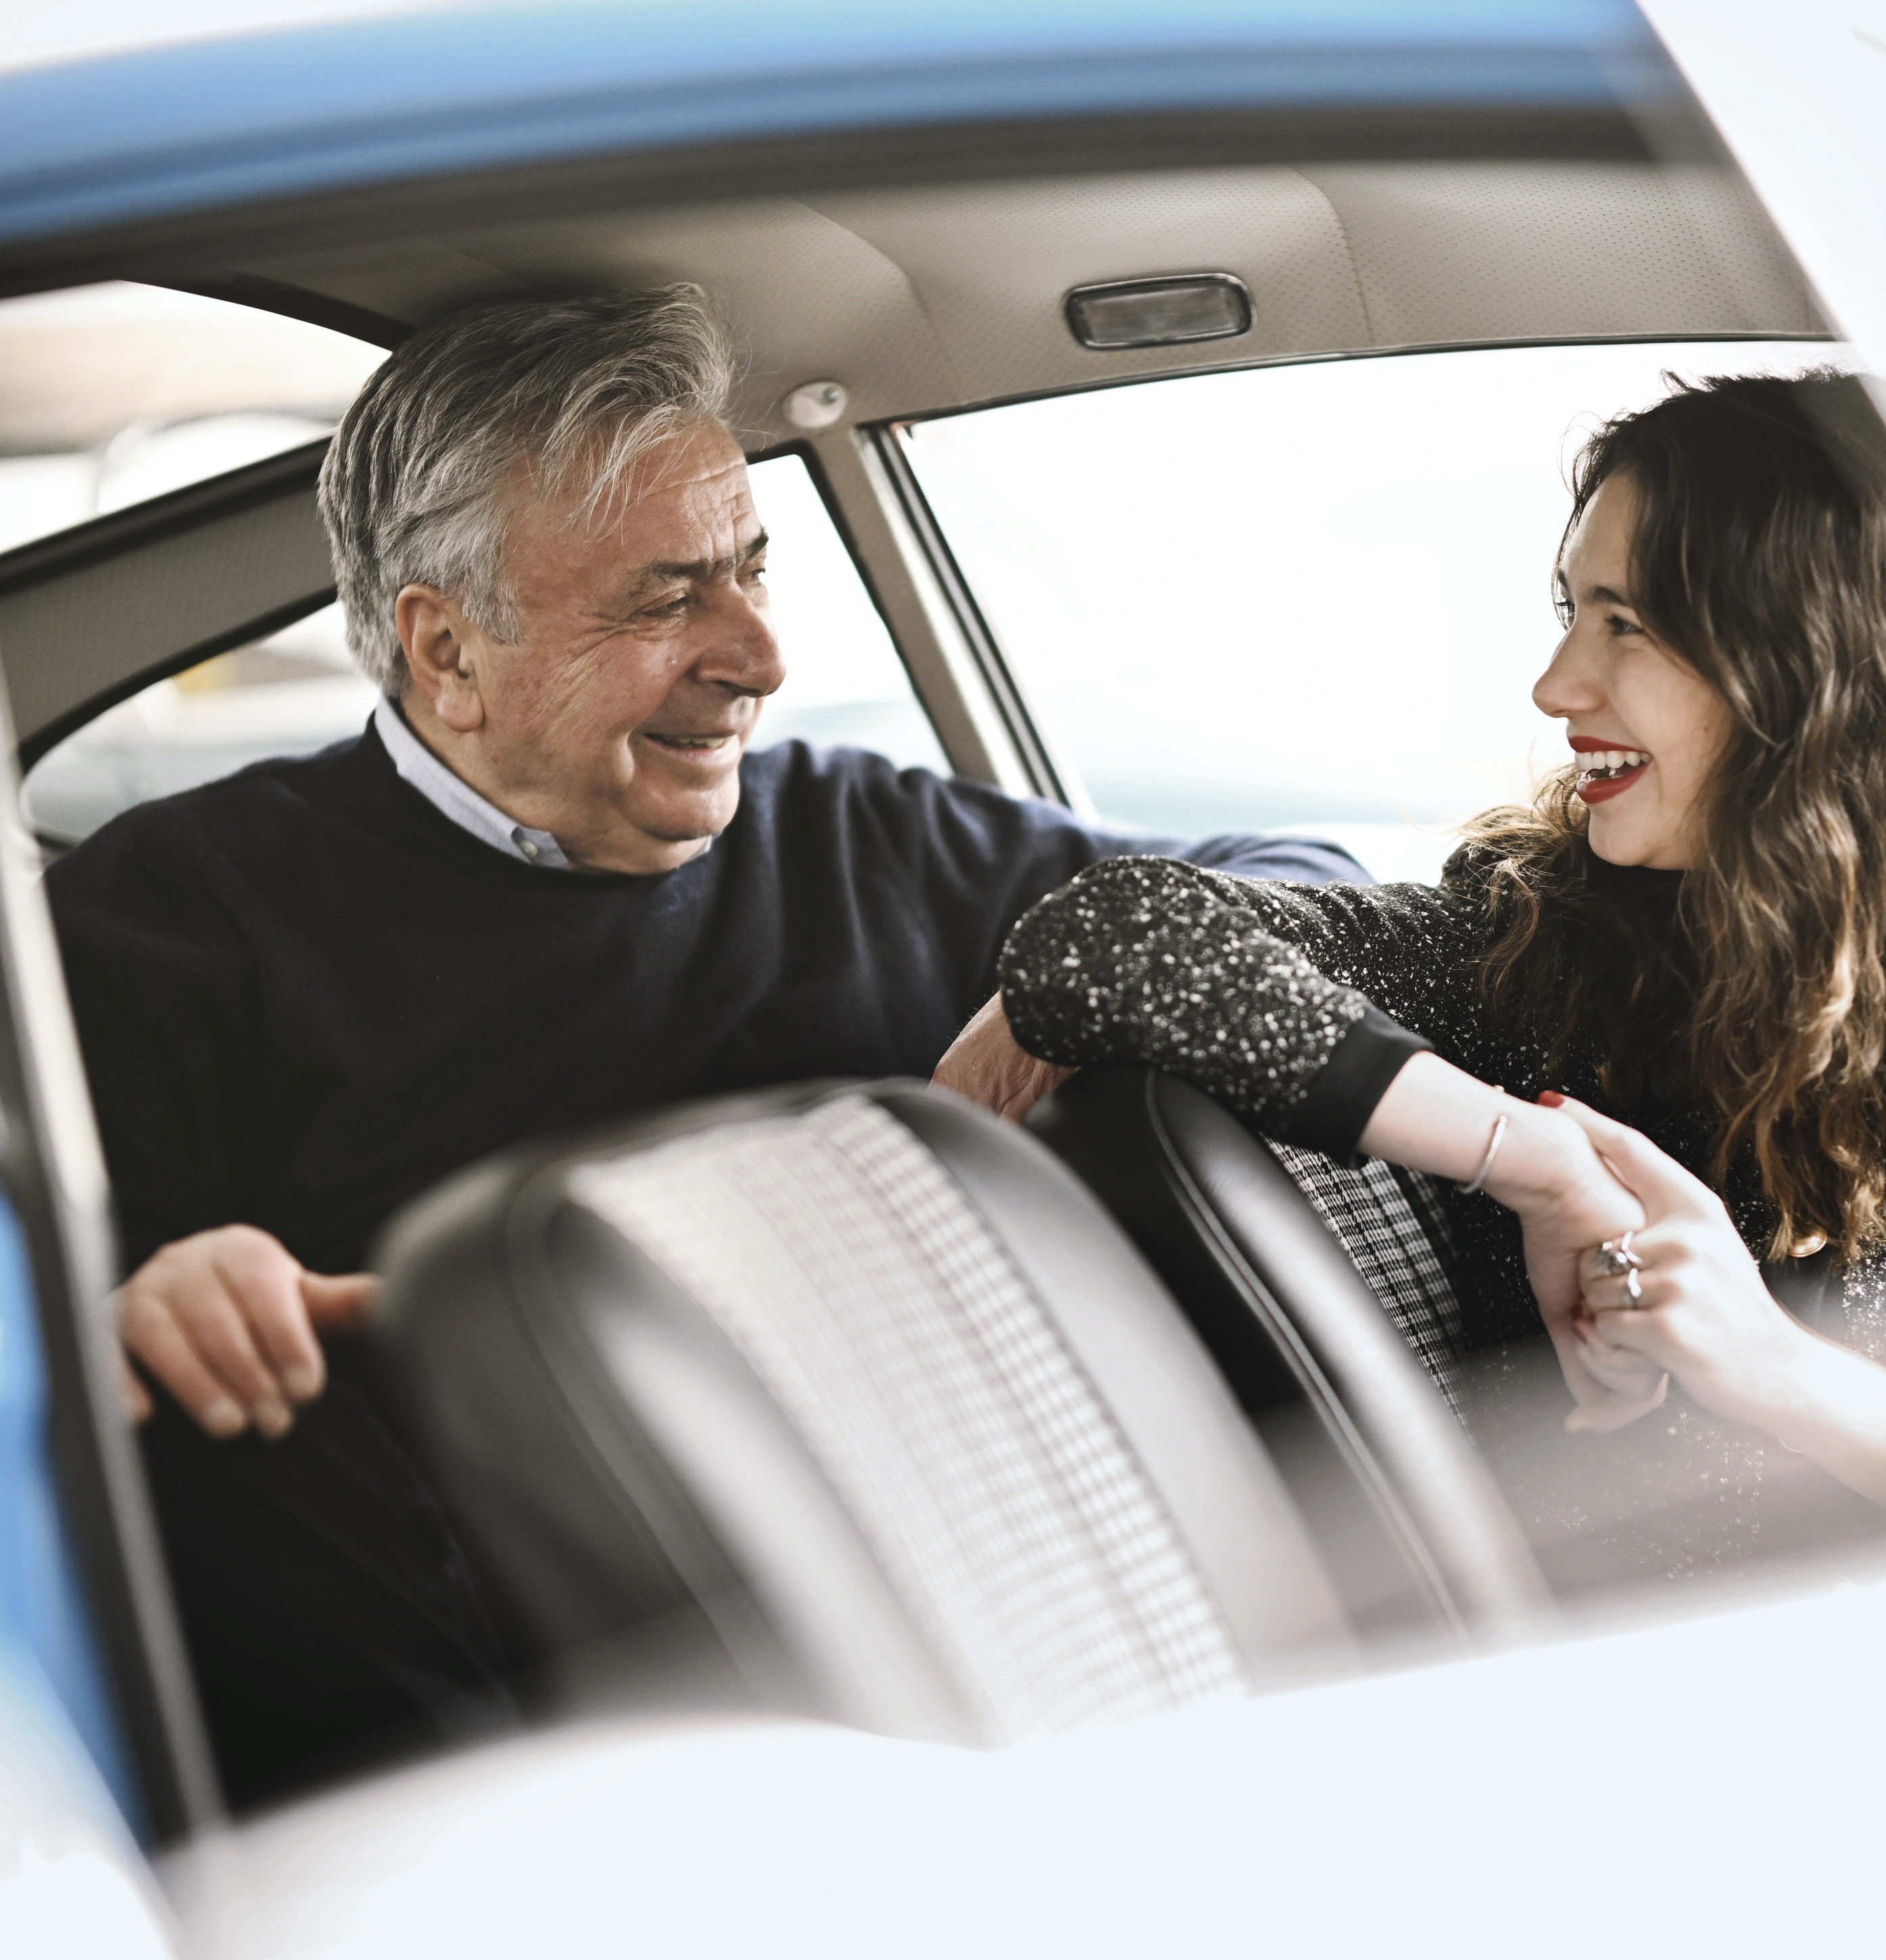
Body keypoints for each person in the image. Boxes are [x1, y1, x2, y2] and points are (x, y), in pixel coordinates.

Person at [49, 286, 1363, 1802]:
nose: (757, 654)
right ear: (447, 649)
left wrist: (1073, 976)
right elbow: (60, 1352)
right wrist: (149, 1300)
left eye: (750, 571)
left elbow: (1310, 893)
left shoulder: (862, 829)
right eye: (666, 599)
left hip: (1025, 1649)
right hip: (549, 1781)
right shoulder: (172, 926)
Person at [942, 372, 1886, 1569]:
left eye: (1628, 624)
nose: (1557, 685)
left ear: (1818, 668)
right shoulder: (1540, 956)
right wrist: (1535, 1159)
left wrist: (1794, 1380)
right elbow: (1110, 935)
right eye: (1571, 613)